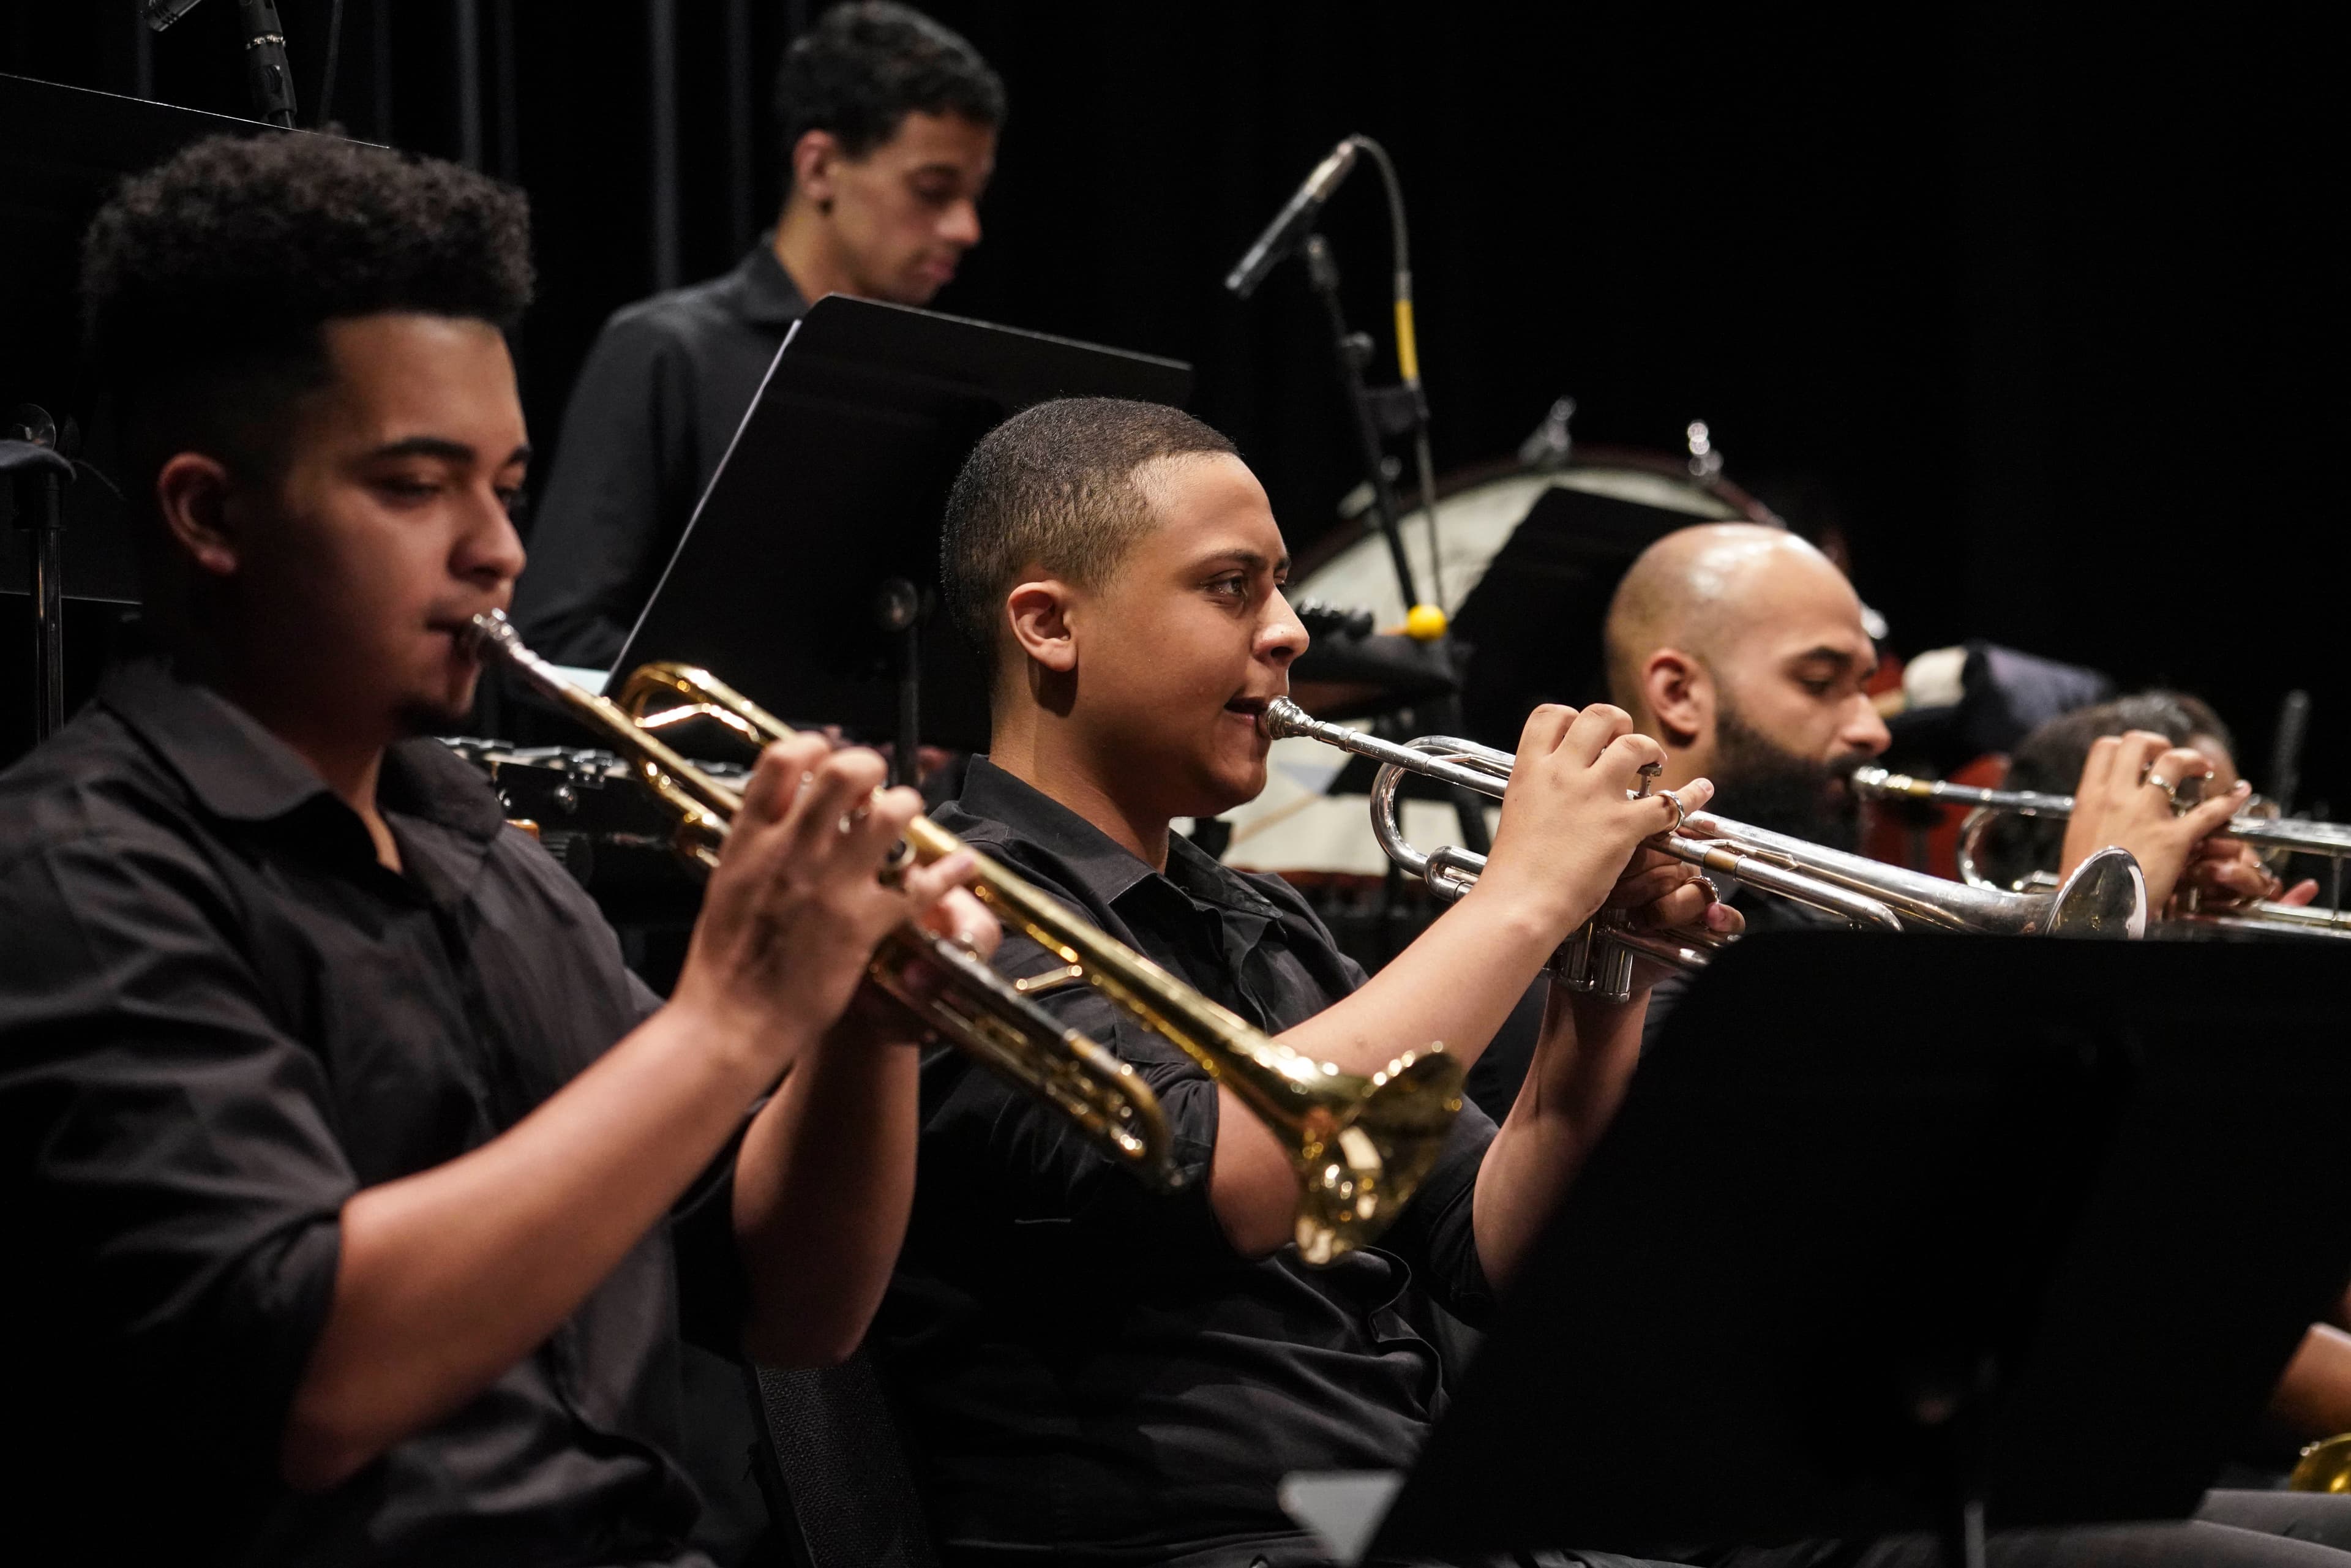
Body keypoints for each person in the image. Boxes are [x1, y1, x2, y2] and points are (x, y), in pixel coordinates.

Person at [874, 404, 2350, 1567]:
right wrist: (1526, 891)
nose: (1284, 629)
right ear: (1048, 621)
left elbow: (1495, 1251)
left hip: (1449, 1521)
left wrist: (1601, 976)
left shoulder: (1251, 921)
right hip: (1212, 1538)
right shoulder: (958, 905)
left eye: (1277, 587)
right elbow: (1243, 1175)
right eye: (1229, 587)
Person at [0, 131, 992, 1565]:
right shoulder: (75, 875)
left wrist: (864, 1039)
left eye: (506, 485)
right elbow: (318, 1382)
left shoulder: (489, 854)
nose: (498, 552)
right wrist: (732, 1018)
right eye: (416, 487)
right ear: (209, 512)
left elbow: (790, 1303)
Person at [511, 1, 1003, 670]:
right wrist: (778, 733)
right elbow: (554, 637)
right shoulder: (666, 349)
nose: (965, 229)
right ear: (820, 168)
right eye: (933, 190)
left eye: (973, 196)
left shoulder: (945, 379)